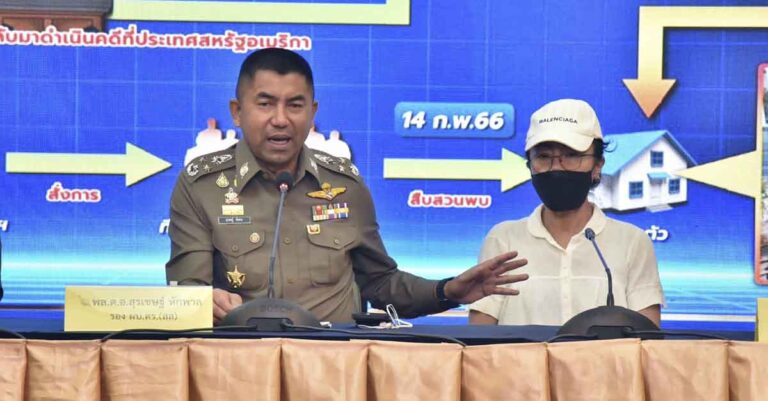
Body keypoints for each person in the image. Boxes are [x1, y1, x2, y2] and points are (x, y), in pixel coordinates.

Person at [166, 48, 529, 324]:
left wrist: (448, 291)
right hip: (238, 366)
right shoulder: (201, 186)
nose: (280, 119)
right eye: (265, 104)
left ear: (312, 112)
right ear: (236, 111)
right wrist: (205, 301)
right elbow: (186, 294)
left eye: (295, 105)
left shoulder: (343, 184)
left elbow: (381, 285)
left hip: (334, 368)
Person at [469, 99, 664, 326]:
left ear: (597, 165)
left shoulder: (632, 242)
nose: (557, 167)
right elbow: (479, 340)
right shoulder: (503, 239)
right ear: (530, 165)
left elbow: (649, 341)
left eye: (571, 155)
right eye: (543, 157)